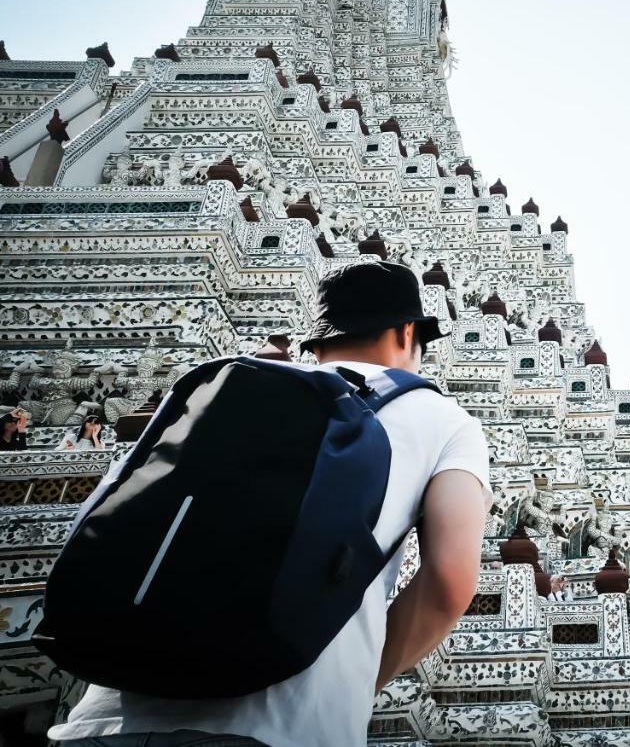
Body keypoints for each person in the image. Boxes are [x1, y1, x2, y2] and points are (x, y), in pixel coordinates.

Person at [51, 261, 492, 747]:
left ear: (318, 339)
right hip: (288, 722)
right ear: (408, 332)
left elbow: (104, 515)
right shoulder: (441, 417)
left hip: (107, 717)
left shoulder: (222, 389)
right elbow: (450, 580)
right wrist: (366, 680)